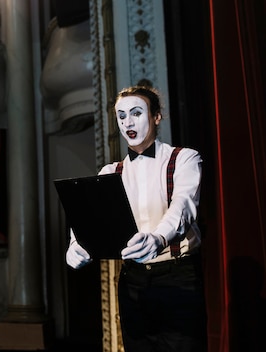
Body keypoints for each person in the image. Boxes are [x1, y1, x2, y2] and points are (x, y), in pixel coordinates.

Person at [65, 85, 207, 351]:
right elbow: (90, 218)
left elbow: (183, 207)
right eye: (121, 116)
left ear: (156, 117)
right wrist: (77, 244)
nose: (127, 122)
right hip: (133, 281)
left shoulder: (184, 158)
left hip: (177, 277)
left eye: (136, 113)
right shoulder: (110, 172)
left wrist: (158, 237)